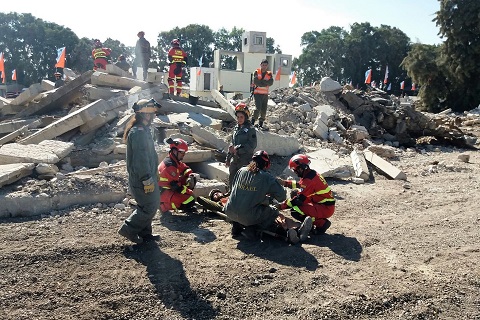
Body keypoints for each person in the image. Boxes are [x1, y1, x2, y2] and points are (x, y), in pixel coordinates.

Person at [224, 150, 313, 244]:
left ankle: (237, 227)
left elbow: (235, 190)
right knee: (272, 212)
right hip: (248, 216)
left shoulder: (241, 171)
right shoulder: (266, 177)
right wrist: (273, 188)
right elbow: (282, 197)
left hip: (229, 211)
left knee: (244, 207)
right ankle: (284, 231)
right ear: (267, 164)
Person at [118, 98, 161, 244]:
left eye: (151, 114)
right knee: (150, 206)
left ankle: (145, 233)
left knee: (147, 204)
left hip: (146, 176)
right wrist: (147, 178)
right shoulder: (138, 133)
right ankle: (128, 228)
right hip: (142, 178)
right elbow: (141, 159)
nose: (149, 117)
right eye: (146, 114)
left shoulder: (143, 130)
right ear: (140, 114)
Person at [277, 154, 336, 234]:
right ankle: (316, 221)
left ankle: (321, 223)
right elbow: (300, 184)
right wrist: (285, 183)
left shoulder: (309, 180)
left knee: (295, 211)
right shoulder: (311, 174)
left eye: (295, 170)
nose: (295, 172)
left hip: (325, 208)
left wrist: (280, 206)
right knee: (295, 193)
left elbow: (298, 200)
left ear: (301, 168)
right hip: (323, 204)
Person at [158, 137, 198, 213]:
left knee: (189, 181)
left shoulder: (173, 160)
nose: (183, 155)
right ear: (174, 151)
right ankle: (164, 206)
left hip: (168, 189)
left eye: (184, 153)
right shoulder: (170, 166)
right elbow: (176, 187)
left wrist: (190, 176)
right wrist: (189, 192)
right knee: (190, 200)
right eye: (182, 152)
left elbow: (184, 168)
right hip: (164, 192)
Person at [225, 102, 257, 189]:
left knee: (243, 182)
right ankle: (231, 195)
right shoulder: (236, 129)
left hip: (244, 160)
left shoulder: (250, 129)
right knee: (232, 179)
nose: (239, 119)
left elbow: (252, 145)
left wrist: (239, 149)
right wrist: (228, 159)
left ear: (246, 117)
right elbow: (232, 144)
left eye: (241, 117)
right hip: (234, 160)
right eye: (238, 117)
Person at [251, 59, 274, 130]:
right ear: (260, 65)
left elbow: (271, 82)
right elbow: (256, 82)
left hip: (265, 94)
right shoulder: (257, 72)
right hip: (257, 94)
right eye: (263, 65)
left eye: (265, 65)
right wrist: (265, 82)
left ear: (267, 66)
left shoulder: (269, 74)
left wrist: (262, 82)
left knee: (264, 110)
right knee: (258, 108)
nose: (264, 66)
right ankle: (252, 123)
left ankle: (260, 124)